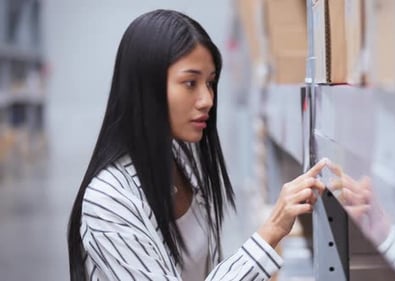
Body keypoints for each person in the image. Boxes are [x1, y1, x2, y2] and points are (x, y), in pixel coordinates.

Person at [67, 9, 327, 281]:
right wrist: (271, 231)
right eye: (190, 83)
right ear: (146, 87)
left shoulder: (181, 162)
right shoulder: (109, 198)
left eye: (210, 83)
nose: (207, 100)